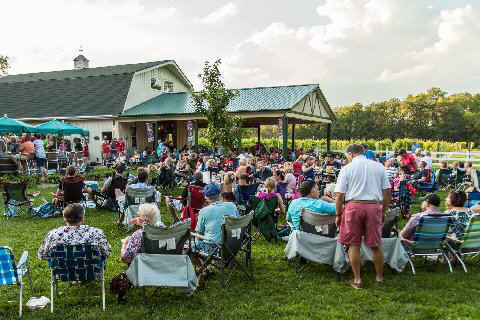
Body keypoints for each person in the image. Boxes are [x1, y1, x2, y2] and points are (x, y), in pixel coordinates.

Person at [335, 144, 391, 289]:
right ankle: (379, 278)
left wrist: (338, 214)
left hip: (354, 206)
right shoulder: (378, 167)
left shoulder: (347, 169)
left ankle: (358, 280)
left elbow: (339, 196)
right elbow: (387, 192)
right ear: (363, 152)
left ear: (350, 154)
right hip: (373, 206)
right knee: (376, 244)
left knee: (354, 244)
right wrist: (383, 210)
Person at [38, 203, 111, 260]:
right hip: (90, 272)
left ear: (64, 219)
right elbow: (107, 252)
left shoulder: (53, 234)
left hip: (62, 272)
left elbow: (42, 255)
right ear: (82, 218)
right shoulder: (96, 233)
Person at [193, 183, 239, 254]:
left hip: (215, 248)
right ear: (220, 195)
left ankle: (204, 264)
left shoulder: (203, 211)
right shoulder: (232, 206)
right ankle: (228, 262)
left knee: (188, 247)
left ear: (206, 197)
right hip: (233, 245)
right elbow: (238, 221)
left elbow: (199, 235)